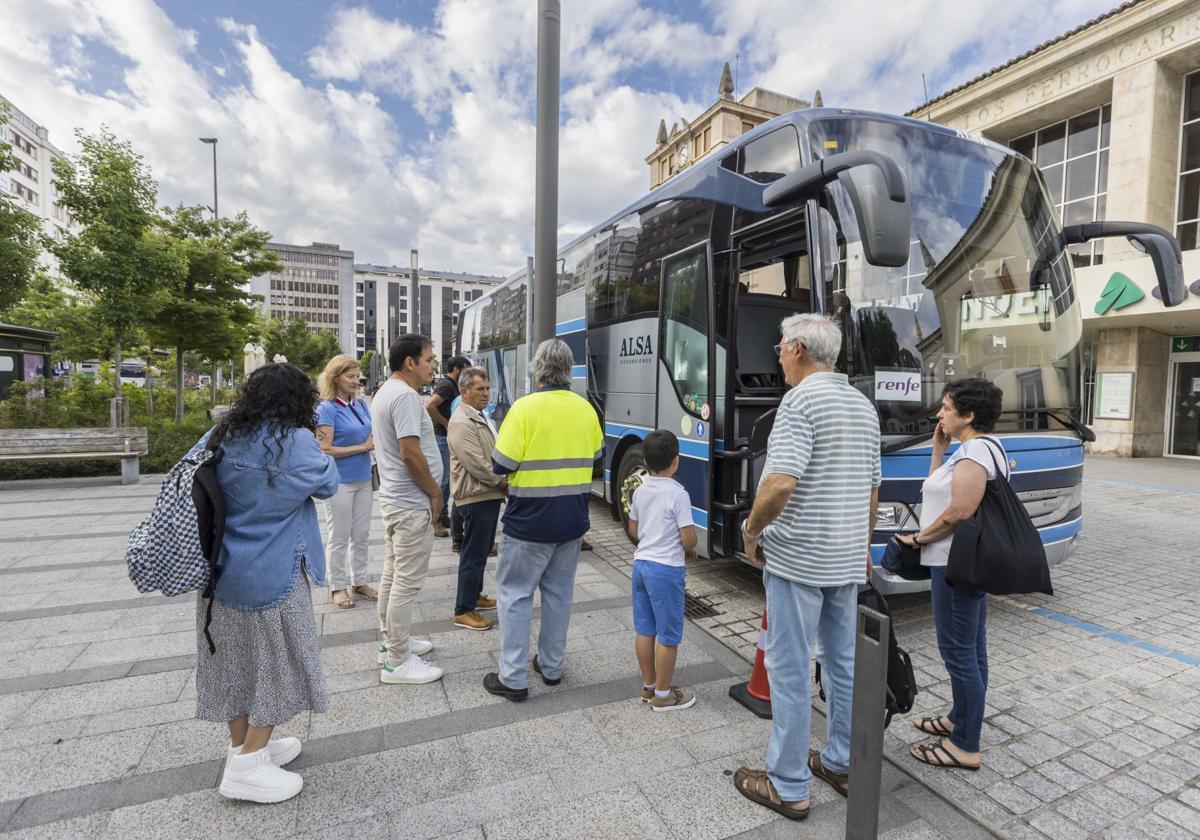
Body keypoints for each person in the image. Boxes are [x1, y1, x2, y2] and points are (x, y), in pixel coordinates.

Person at [734, 314, 880, 822]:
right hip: (843, 560)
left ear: (797, 349)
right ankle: (840, 762)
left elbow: (779, 485)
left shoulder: (799, 401)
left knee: (791, 671)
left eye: (780, 346)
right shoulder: (862, 405)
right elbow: (871, 487)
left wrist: (752, 532)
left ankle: (789, 784)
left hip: (797, 559)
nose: (776, 354)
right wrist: (861, 547)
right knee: (842, 665)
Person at [191, 363, 340, 804]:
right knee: (279, 663)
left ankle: (245, 747)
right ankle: (246, 766)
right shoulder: (295, 442)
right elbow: (328, 484)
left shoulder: (223, 433)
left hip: (221, 573)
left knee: (235, 664)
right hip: (274, 574)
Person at [482, 339, 603, 701]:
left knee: (515, 596)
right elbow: (596, 458)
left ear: (537, 368)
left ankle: (514, 678)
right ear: (569, 369)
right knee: (558, 595)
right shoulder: (586, 410)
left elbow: (500, 465)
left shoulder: (524, 409)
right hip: (572, 522)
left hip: (529, 523)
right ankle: (551, 667)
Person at [897, 377, 1006, 772]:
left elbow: (960, 510)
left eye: (946, 407)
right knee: (971, 648)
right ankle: (960, 718)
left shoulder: (976, 452)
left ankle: (965, 744)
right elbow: (937, 491)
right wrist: (937, 452)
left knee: (959, 652)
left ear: (969, 414)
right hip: (955, 561)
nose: (940, 413)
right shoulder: (970, 449)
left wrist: (918, 537)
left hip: (955, 564)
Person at [370, 334, 444, 685]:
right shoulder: (403, 396)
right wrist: (434, 494)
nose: (433, 366)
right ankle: (397, 661)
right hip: (410, 502)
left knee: (392, 574)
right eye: (429, 359)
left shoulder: (388, 391)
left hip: (395, 498)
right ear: (410, 362)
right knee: (406, 582)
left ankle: (391, 642)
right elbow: (410, 452)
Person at [626, 429, 698, 711]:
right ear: (676, 461)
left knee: (645, 629)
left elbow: (633, 529)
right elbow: (688, 538)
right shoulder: (678, 494)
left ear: (645, 461)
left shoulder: (641, 490)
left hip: (640, 566)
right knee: (668, 635)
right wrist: (690, 548)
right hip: (666, 570)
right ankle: (665, 695)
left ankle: (649, 687)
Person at [446, 366, 506, 632]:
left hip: (486, 495)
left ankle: (475, 596)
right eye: (479, 389)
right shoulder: (461, 422)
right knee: (473, 554)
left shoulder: (480, 416)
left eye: (487, 388)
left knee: (480, 552)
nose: (485, 393)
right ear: (464, 391)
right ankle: (463, 609)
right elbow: (478, 465)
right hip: (476, 497)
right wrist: (502, 482)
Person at [315, 355, 377, 610]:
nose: (356, 380)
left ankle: (359, 581)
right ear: (335, 378)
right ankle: (337, 587)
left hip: (364, 477)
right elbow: (325, 448)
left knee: (361, 534)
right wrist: (362, 446)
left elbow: (371, 432)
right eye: (349, 376)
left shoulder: (360, 404)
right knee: (339, 535)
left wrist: (370, 441)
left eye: (357, 375)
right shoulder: (326, 408)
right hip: (339, 481)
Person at [427, 355, 469, 538]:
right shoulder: (446, 385)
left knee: (447, 479)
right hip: (442, 438)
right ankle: (436, 520)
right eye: (465, 370)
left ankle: (443, 515)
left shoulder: (452, 385)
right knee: (443, 480)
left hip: (447, 437)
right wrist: (445, 423)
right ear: (456, 369)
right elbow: (430, 406)